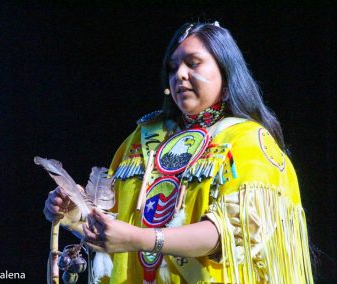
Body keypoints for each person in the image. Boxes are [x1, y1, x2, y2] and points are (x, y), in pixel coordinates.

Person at [44, 21, 313, 283]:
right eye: (173, 68)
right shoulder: (143, 138)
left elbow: (232, 233)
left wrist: (141, 239)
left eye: (193, 63)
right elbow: (115, 220)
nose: (180, 75)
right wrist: (77, 214)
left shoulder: (246, 141)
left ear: (226, 70)